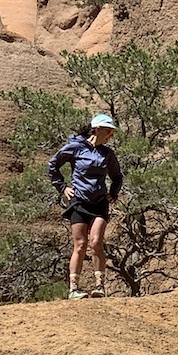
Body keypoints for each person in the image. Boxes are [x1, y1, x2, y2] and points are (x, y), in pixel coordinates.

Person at [48, 112, 123, 297]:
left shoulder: (107, 154)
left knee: (96, 242)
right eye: (109, 131)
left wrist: (113, 194)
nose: (111, 135)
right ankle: (74, 289)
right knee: (80, 245)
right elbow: (53, 165)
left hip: (99, 203)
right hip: (79, 201)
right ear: (97, 130)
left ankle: (100, 287)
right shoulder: (76, 147)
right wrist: (63, 187)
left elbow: (117, 176)